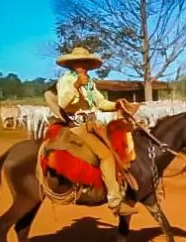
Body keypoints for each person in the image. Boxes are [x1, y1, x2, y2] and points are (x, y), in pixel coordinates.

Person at [53, 47, 138, 217]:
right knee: (106, 156)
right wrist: (76, 86)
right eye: (78, 63)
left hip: (94, 125)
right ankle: (114, 201)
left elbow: (100, 102)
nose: (82, 66)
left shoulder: (90, 83)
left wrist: (117, 105)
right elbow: (63, 103)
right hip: (76, 126)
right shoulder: (65, 80)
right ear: (71, 65)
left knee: (120, 143)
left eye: (85, 63)